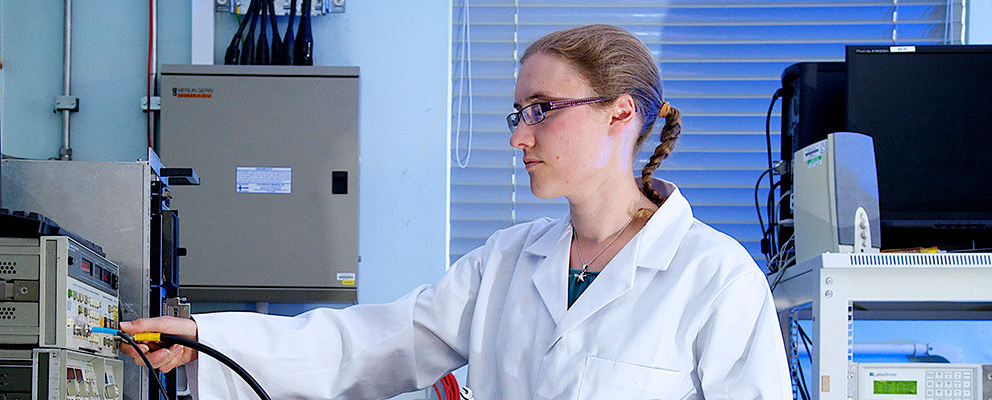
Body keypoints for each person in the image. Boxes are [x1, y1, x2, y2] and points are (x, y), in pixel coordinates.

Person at [122, 24, 789, 399]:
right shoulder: (506, 262)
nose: (518, 136)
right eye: (518, 112)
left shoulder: (716, 280)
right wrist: (207, 343)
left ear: (621, 113)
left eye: (543, 111)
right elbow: (368, 346)